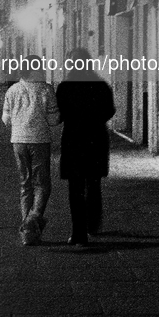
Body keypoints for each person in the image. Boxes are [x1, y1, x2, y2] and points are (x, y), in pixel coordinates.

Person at [56, 48, 115, 247]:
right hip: (96, 138)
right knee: (94, 182)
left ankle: (79, 233)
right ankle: (93, 223)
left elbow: (60, 115)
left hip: (74, 139)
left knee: (76, 188)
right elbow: (110, 110)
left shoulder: (65, 87)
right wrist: (95, 121)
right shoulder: (101, 85)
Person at [2, 56, 61, 245]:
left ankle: (27, 230)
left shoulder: (12, 91)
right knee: (42, 184)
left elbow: (6, 119)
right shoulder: (46, 90)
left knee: (25, 184)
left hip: (18, 141)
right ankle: (32, 221)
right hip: (39, 141)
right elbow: (53, 121)